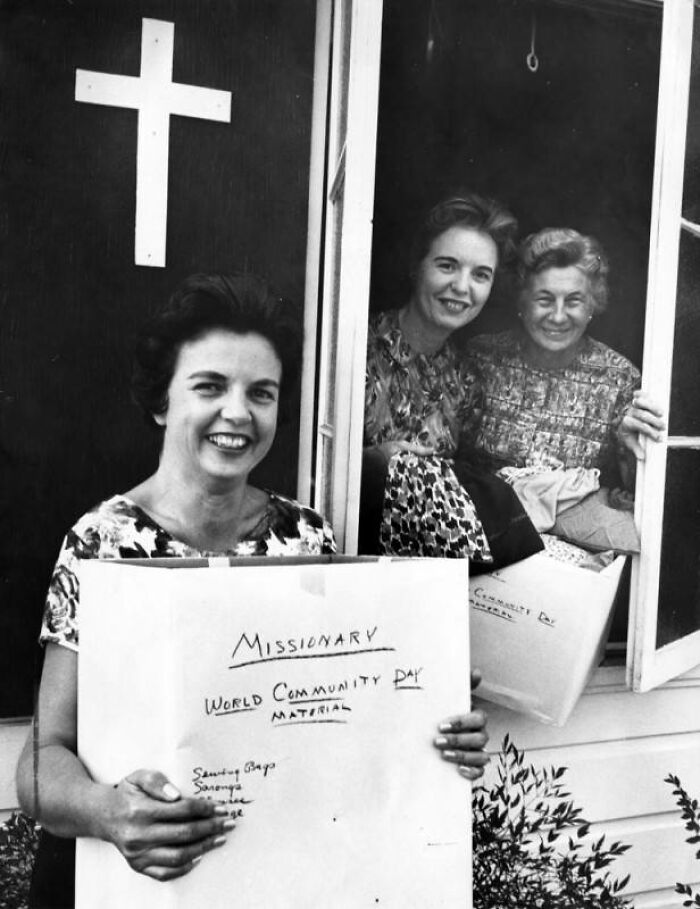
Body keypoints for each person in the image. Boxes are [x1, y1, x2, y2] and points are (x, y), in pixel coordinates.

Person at [16, 273, 489, 905]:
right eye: (210, 386)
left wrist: (430, 724)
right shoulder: (101, 543)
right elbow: (42, 762)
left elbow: (336, 720)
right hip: (131, 887)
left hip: (276, 880)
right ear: (162, 401)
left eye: (261, 393)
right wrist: (109, 813)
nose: (238, 412)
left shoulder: (306, 539)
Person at [361, 193, 543, 567]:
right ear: (417, 266)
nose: (462, 287)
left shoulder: (466, 382)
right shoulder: (355, 351)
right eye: (447, 265)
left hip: (427, 580)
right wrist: (368, 467)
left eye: (480, 275)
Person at [464, 228, 665, 489]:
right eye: (544, 300)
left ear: (593, 304)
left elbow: (640, 493)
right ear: (522, 303)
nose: (558, 316)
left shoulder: (620, 379)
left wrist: (629, 454)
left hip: (572, 526)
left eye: (573, 301)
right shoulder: (483, 357)